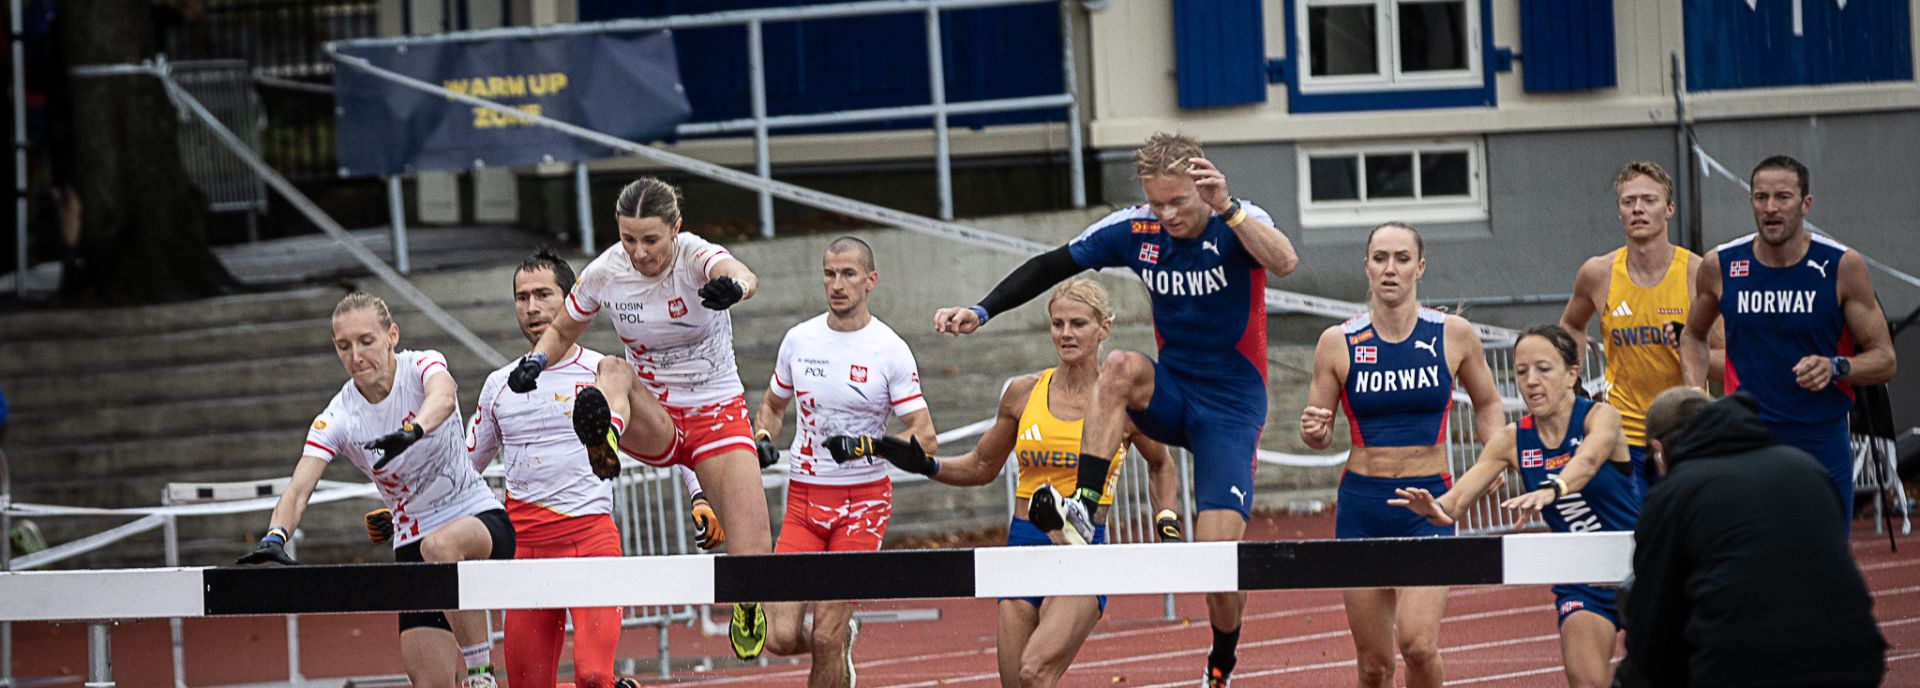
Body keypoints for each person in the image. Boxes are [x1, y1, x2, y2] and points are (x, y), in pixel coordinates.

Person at [932, 132, 1299, 686]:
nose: (1169, 214)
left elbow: (1287, 261)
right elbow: (1050, 264)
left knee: (1217, 562)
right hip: (1171, 390)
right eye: (1158, 203)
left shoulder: (1238, 218)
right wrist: (982, 311)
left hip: (1230, 406)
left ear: (1204, 186)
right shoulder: (1135, 230)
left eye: (1180, 201)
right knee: (1122, 365)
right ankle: (1084, 505)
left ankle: (1223, 656)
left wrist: (1228, 207)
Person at [506, 177, 775, 659]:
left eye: (651, 240)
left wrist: (735, 288)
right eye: (629, 238)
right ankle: (604, 437)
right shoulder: (608, 270)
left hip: (715, 410)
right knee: (612, 367)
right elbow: (564, 327)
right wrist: (536, 362)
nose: (640, 251)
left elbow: (743, 273)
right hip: (653, 413)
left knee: (753, 552)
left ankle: (747, 603)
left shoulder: (694, 256)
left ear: (675, 229)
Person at [869, 278, 1179, 688]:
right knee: (1018, 683)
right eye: (1058, 323)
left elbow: (1162, 464)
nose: (1066, 334)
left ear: (1104, 328)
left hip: (1081, 550)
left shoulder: (1122, 405)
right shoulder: (1023, 393)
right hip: (1022, 547)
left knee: (1035, 671)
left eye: (1078, 324)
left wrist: (1168, 525)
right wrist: (927, 465)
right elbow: (982, 465)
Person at [239, 292, 513, 688]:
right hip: (412, 543)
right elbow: (299, 487)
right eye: (343, 346)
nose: (356, 356)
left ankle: (481, 674)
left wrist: (412, 430)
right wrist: (275, 535)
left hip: (478, 518)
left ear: (392, 336)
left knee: (440, 547)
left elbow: (444, 397)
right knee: (430, 683)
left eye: (366, 341)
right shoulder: (339, 417)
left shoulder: (423, 365)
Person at [464, 249, 697, 688]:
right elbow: (462, 471)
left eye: (542, 295)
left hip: (590, 542)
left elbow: (673, 440)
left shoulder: (604, 373)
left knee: (593, 677)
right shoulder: (500, 385)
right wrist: (409, 509)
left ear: (570, 299)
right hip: (527, 552)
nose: (531, 308)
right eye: (521, 297)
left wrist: (699, 495)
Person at [1298, 222, 1504, 688]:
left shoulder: (1453, 334)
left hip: (1428, 505)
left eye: (1402, 258)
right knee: (1374, 665)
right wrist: (1314, 430)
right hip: (1362, 506)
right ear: (1366, 267)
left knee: (1416, 644)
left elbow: (1489, 403)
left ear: (1420, 267)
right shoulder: (1338, 342)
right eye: (1380, 258)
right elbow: (1317, 429)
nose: (1390, 269)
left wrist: (1493, 454)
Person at [1389, 326, 1636, 688]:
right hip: (1583, 582)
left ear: (1571, 374)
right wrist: (1432, 508)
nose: (1531, 382)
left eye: (1543, 369)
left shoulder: (1599, 418)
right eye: (1521, 372)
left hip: (1638, 568)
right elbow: (1454, 504)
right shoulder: (1512, 440)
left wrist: (1554, 490)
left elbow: (1588, 461)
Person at [750, 236, 937, 687]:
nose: (837, 284)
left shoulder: (888, 348)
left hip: (862, 504)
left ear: (870, 281)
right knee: (777, 637)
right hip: (803, 501)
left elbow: (924, 436)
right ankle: (840, 640)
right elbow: (773, 407)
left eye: (849, 274)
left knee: (826, 637)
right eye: (830, 274)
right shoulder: (799, 339)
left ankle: (836, 640)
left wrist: (867, 446)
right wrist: (762, 437)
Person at [1678, 155, 1897, 532]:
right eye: (1761, 197)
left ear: (1805, 204)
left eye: (1783, 197)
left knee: (1824, 557)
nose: (1770, 208)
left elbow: (1885, 360)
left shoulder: (1841, 265)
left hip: (1820, 435)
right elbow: (1693, 335)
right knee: (1753, 551)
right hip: (1748, 435)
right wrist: (1695, 397)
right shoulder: (1722, 265)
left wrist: (1836, 367)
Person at [1619, 388, 1885, 687]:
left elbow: (1652, 630)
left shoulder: (1673, 493)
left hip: (1746, 671)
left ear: (1658, 451)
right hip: (1856, 662)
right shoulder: (1804, 467)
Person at [1558, 161, 1716, 492]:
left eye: (1649, 200)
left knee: (1683, 536)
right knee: (1633, 536)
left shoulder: (1697, 274)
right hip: (1621, 436)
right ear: (1619, 212)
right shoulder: (1597, 274)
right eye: (1628, 202)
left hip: (1681, 434)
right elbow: (1571, 324)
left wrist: (1689, 342)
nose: (1638, 209)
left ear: (1669, 208)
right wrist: (1572, 382)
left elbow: (1730, 359)